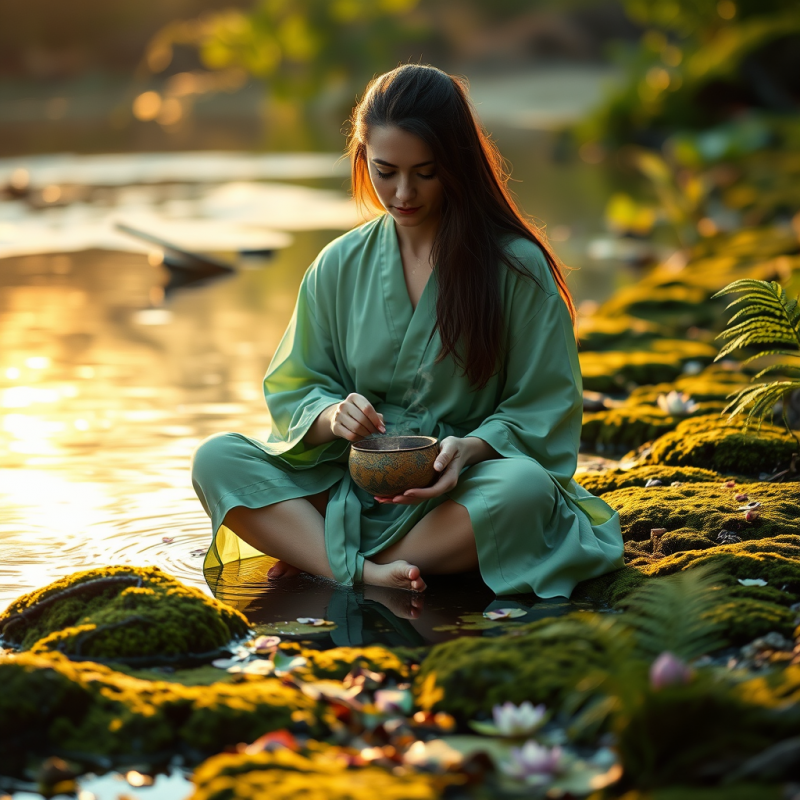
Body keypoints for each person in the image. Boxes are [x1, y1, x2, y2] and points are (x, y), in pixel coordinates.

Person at [191, 64, 624, 596]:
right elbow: (296, 386)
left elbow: (543, 404)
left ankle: (322, 556)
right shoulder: (338, 264)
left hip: (456, 491)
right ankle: (369, 571)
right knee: (218, 458)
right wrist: (333, 415)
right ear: (361, 159)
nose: (402, 193)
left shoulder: (516, 267)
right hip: (348, 483)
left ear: (458, 163)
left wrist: (472, 449)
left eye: (425, 171)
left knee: (526, 490)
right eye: (385, 170)